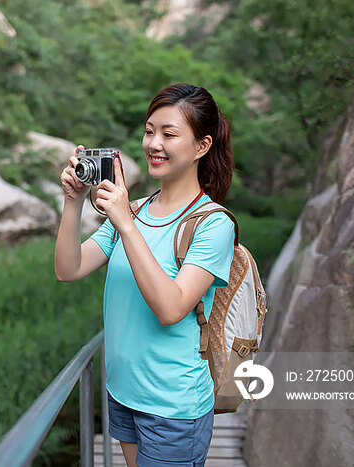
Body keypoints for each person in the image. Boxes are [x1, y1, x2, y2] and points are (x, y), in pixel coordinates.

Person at [54, 83, 235, 467]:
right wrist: (72, 203)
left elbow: (171, 308)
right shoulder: (134, 210)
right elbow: (69, 268)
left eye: (169, 134)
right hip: (122, 394)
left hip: (173, 406)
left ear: (202, 146)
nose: (154, 143)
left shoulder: (212, 224)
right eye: (149, 131)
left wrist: (125, 224)